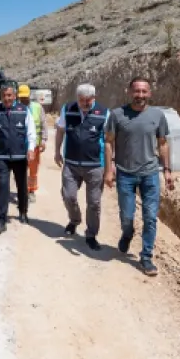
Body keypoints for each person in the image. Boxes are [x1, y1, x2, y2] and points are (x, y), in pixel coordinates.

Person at [103, 77, 175, 277]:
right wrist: (109, 170)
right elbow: (108, 143)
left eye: (144, 91)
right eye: (137, 91)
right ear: (129, 92)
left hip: (150, 174)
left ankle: (146, 257)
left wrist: (167, 170)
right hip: (125, 174)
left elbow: (163, 144)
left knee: (150, 217)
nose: (140, 95)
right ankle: (127, 233)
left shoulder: (157, 115)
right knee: (127, 217)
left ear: (149, 93)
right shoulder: (117, 115)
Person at [54, 83, 110, 250]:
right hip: (71, 165)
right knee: (68, 195)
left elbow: (109, 141)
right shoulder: (68, 109)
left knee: (94, 203)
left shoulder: (105, 113)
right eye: (81, 100)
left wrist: (109, 167)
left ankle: (91, 234)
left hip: (95, 166)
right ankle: (74, 220)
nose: (85, 103)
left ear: (94, 98)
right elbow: (60, 130)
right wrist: (57, 151)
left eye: (88, 100)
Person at [0, 85, 36, 234]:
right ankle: (1, 219)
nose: (7, 98)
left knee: (21, 185)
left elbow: (31, 132)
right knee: (2, 186)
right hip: (1, 156)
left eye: (9, 95)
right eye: (4, 96)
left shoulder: (23, 110)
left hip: (20, 156)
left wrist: (31, 149)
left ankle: (23, 211)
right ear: (1, 97)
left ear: (14, 96)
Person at [17, 84, 47, 201]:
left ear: (29, 95)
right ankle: (22, 190)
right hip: (19, 146)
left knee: (33, 169)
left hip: (34, 145)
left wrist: (43, 140)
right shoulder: (15, 108)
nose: (24, 100)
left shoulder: (38, 107)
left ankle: (31, 191)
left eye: (25, 97)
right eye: (21, 97)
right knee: (20, 169)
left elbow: (44, 125)